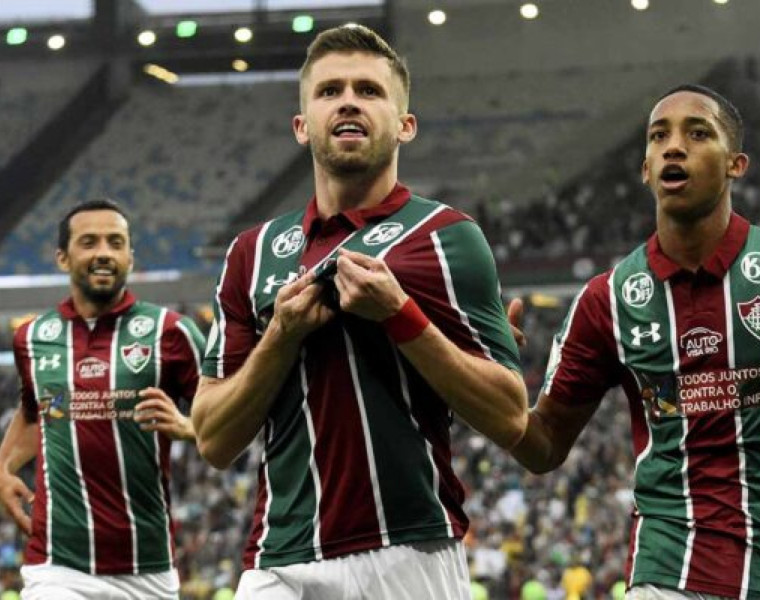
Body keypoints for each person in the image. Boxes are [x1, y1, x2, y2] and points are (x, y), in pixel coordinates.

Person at [191, 24, 527, 599]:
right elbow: (213, 440)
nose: (348, 101)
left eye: (369, 90)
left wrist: (400, 314)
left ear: (405, 125)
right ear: (302, 126)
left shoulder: (448, 237)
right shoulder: (252, 252)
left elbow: (510, 415)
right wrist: (281, 336)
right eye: (330, 91)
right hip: (279, 559)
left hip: (410, 554)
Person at [510, 84, 760, 599]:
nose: (674, 147)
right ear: (646, 169)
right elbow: (543, 445)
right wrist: (489, 373)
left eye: (698, 133)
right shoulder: (608, 299)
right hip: (668, 573)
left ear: (736, 164)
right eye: (659, 136)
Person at [0, 199, 206, 599]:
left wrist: (189, 426)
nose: (104, 252)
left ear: (130, 257)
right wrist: (3, 467)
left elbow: (235, 415)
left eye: (115, 242)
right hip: (57, 565)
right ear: (62, 257)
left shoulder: (172, 332)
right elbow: (41, 411)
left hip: (146, 566)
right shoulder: (34, 338)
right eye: (89, 242)